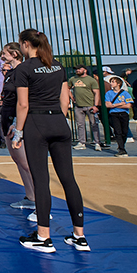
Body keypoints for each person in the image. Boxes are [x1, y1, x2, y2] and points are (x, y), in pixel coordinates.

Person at [10, 29, 88, 253]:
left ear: (26, 44)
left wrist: (19, 131)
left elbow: (23, 105)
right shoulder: (57, 66)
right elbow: (65, 99)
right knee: (68, 179)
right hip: (59, 123)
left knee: (41, 179)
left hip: (37, 123)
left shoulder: (24, 68)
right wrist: (57, 120)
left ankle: (44, 236)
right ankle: (79, 235)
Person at [0, 43, 36, 212]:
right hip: (7, 119)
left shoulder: (23, 71)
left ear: (14, 53)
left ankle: (40, 203)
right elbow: (9, 99)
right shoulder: (10, 74)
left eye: (4, 53)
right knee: (18, 161)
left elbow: (24, 100)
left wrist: (18, 123)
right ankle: (30, 197)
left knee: (27, 163)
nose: (2, 57)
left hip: (16, 123)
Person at [68, 65, 103, 151]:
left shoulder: (91, 80)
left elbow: (97, 93)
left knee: (94, 124)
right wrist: (72, 97)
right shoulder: (73, 79)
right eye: (76, 69)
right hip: (78, 106)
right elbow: (67, 88)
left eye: (79, 69)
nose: (77, 70)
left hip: (90, 105)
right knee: (80, 124)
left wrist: (95, 105)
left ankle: (97, 142)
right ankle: (81, 142)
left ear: (85, 70)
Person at [104, 76, 133, 156]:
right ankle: (121, 148)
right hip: (114, 114)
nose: (111, 83)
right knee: (118, 131)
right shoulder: (109, 93)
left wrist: (114, 105)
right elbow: (108, 105)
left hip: (124, 114)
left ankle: (122, 145)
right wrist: (120, 104)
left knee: (125, 131)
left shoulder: (125, 93)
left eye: (113, 82)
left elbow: (128, 105)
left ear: (118, 83)